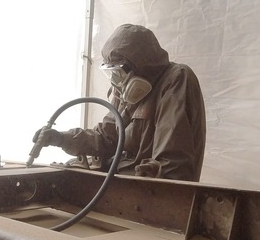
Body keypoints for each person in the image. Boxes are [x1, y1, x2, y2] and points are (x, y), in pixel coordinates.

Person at [34, 24, 206, 181]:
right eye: (111, 72)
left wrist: (146, 178)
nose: (116, 81)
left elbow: (171, 165)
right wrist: (62, 138)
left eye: (119, 71)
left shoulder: (176, 79)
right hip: (122, 180)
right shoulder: (124, 88)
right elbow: (105, 138)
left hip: (147, 190)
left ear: (140, 66)